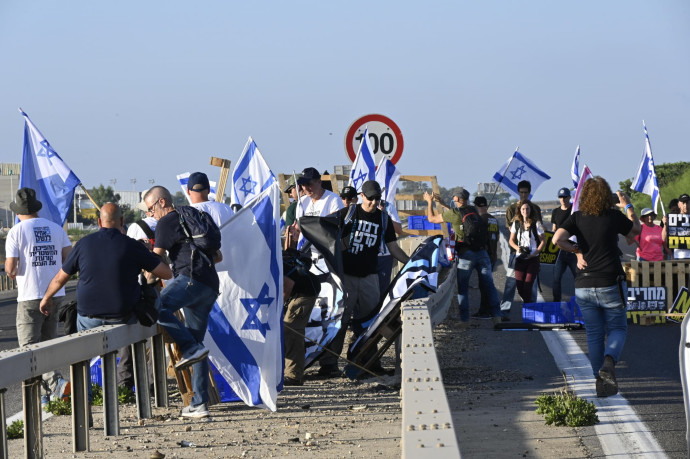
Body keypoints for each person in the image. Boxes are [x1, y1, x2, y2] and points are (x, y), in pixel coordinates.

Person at [40, 203, 172, 415]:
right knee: (152, 294)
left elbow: (60, 278)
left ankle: (85, 402)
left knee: (80, 344)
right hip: (124, 316)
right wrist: (148, 255)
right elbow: (166, 274)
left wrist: (46, 298)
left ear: (99, 222)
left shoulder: (83, 244)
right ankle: (141, 384)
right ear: (121, 222)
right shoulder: (132, 246)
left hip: (88, 317)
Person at [553, 177, 640, 397]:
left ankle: (599, 381)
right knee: (618, 329)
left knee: (593, 333)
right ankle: (609, 362)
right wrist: (628, 205)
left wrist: (577, 251)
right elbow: (635, 230)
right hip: (610, 281)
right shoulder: (613, 217)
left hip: (583, 283)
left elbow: (557, 240)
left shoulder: (577, 217)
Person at [143, 186, 222, 419]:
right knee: (198, 344)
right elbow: (218, 256)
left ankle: (191, 349)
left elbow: (156, 259)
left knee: (156, 306)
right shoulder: (191, 217)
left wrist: (147, 282)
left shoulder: (167, 221)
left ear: (162, 203)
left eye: (150, 209)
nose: (150, 215)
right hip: (209, 284)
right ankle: (199, 404)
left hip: (189, 279)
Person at [318, 181, 409, 377]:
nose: (374, 202)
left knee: (371, 324)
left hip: (370, 278)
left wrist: (411, 263)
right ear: (361, 196)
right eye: (370, 198)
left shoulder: (383, 219)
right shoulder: (348, 213)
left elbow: (393, 248)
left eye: (377, 199)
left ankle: (368, 363)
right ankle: (329, 364)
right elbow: (322, 228)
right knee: (339, 321)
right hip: (346, 278)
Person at [5, 187, 73, 405]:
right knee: (48, 343)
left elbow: (10, 268)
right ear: (36, 209)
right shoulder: (56, 229)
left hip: (29, 295)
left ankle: (53, 385)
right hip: (56, 293)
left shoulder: (16, 232)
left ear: (17, 212)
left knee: (28, 350)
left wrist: (14, 271)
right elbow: (69, 260)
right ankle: (46, 394)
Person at [424, 187, 503, 326]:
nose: (453, 200)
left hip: (466, 254)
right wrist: (443, 204)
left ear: (457, 199)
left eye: (454, 198)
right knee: (489, 286)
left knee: (463, 288)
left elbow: (431, 219)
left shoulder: (454, 213)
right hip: (482, 252)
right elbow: (459, 215)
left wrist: (429, 202)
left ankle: (465, 320)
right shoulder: (473, 209)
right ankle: (497, 317)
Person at [502, 180, 543, 312]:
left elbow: (539, 230)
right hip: (516, 252)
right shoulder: (511, 209)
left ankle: (532, 309)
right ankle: (505, 310)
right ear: (518, 193)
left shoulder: (536, 209)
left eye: (526, 192)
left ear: (529, 193)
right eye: (521, 192)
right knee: (510, 282)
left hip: (532, 251)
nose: (524, 195)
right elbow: (510, 230)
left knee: (532, 283)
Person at [282, 248, 320, 386]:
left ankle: (293, 376)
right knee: (290, 331)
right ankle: (290, 370)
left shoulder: (278, 263)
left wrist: (278, 306)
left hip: (305, 294)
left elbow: (288, 285)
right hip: (301, 290)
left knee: (291, 331)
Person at [509, 200, 545, 303]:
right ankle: (528, 304)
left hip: (533, 258)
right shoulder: (516, 224)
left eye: (527, 208)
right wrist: (517, 248)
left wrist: (535, 253)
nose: (525, 211)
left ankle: (529, 308)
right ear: (520, 210)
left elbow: (543, 241)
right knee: (520, 286)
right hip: (520, 258)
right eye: (523, 209)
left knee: (528, 285)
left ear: (530, 210)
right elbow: (511, 241)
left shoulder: (536, 224)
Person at [471, 196, 501, 319]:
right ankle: (488, 309)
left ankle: (485, 311)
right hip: (493, 255)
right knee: (487, 283)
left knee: (484, 285)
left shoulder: (480, 220)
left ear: (476, 206)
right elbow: (497, 237)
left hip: (484, 255)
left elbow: (479, 238)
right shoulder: (493, 219)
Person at [550, 187, 578, 302]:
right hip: (559, 250)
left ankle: (581, 301)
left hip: (573, 249)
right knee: (556, 278)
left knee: (578, 278)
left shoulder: (574, 210)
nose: (563, 199)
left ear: (569, 197)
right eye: (561, 197)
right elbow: (554, 229)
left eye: (565, 197)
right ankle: (556, 303)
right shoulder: (555, 212)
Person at [670, 194, 690, 260]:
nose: (685, 205)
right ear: (679, 204)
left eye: (687, 202)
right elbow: (664, 240)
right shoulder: (672, 219)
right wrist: (665, 225)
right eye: (683, 203)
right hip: (678, 256)